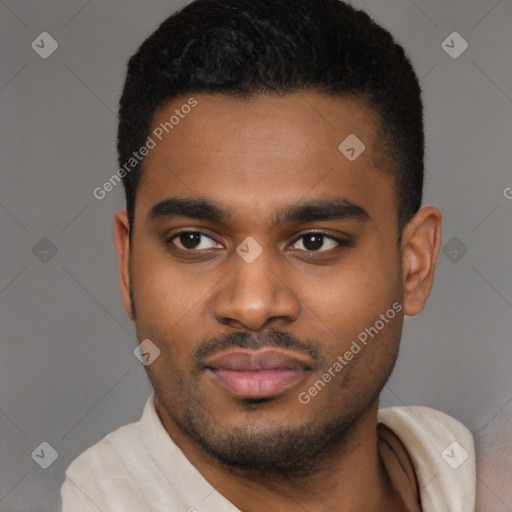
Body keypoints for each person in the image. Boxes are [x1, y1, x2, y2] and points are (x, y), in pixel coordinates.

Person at [61, 0, 476, 510]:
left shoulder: (470, 468)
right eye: (194, 240)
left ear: (413, 264)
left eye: (314, 241)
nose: (253, 304)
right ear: (127, 265)